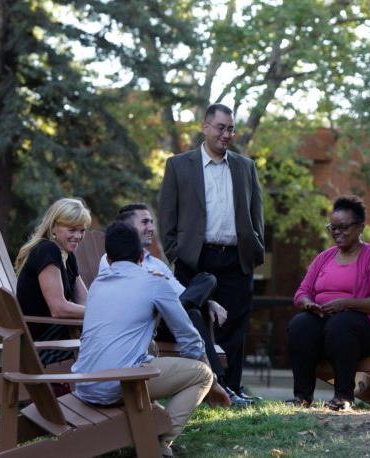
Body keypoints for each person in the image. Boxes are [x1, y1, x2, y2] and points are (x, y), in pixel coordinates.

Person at [73, 221, 229, 456]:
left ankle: (152, 425)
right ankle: (160, 442)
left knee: (151, 348)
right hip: (116, 385)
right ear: (140, 256)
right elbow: (189, 337)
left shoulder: (97, 285)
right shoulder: (154, 281)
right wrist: (214, 382)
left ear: (110, 259)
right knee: (202, 375)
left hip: (85, 384)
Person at [159, 103, 265, 402]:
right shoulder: (179, 166)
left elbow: (257, 215)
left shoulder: (246, 167)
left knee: (234, 327)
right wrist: (176, 253)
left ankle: (232, 391)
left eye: (231, 128)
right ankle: (205, 388)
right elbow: (167, 215)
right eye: (221, 127)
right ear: (205, 127)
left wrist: (256, 251)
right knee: (195, 322)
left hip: (236, 258)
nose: (226, 134)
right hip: (196, 259)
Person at [99, 203, 239, 405]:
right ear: (128, 228)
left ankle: (216, 383)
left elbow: (182, 293)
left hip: (174, 316)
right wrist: (152, 285)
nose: (151, 228)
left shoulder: (157, 264)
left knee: (206, 281)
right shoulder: (111, 260)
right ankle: (220, 385)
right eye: (145, 222)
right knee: (190, 313)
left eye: (152, 222)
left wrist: (207, 301)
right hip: (150, 323)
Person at [286, 196, 370, 411]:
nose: (337, 232)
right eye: (332, 227)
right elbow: (302, 293)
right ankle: (302, 397)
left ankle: (344, 396)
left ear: (360, 227)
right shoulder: (324, 258)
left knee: (341, 324)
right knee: (300, 324)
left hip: (367, 327)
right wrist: (310, 305)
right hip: (325, 322)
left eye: (343, 227)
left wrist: (346, 303)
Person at [15, 197, 90, 365]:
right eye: (72, 230)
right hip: (40, 345)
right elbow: (58, 309)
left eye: (82, 230)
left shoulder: (67, 256)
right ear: (54, 227)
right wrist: (104, 314)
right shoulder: (46, 250)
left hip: (57, 333)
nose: (78, 236)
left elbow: (86, 301)